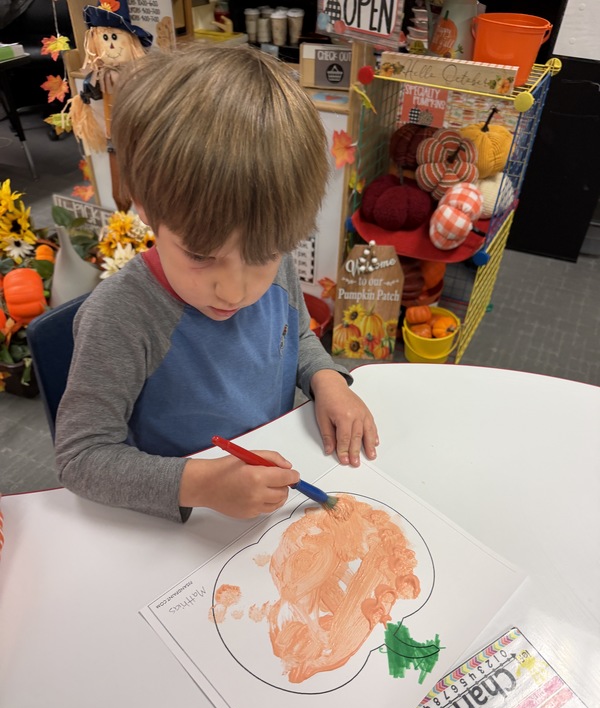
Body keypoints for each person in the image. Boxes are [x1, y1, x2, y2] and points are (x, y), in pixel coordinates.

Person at [54, 44, 378, 523]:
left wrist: (325, 378)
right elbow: (80, 459)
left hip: (266, 487)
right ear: (146, 208)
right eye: (203, 256)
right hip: (184, 524)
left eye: (263, 256)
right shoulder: (120, 317)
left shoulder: (277, 260)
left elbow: (296, 337)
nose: (235, 290)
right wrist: (200, 484)